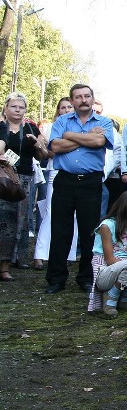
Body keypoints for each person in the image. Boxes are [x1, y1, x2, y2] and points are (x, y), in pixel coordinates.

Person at [45, 84, 115, 294]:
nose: (83, 99)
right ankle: (56, 280)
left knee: (89, 232)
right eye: (78, 97)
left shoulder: (104, 122)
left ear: (93, 99)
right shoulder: (62, 121)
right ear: (72, 100)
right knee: (60, 231)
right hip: (64, 181)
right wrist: (86, 138)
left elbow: (99, 141)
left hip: (90, 183)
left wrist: (70, 136)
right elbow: (55, 147)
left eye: (87, 96)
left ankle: (85, 278)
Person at [0, 92, 48, 281]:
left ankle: (17, 258)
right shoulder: (1, 127)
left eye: (21, 107)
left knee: (22, 219)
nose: (18, 110)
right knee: (5, 222)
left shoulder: (30, 127)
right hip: (3, 178)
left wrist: (36, 143)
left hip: (24, 178)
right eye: (14, 106)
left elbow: (43, 155)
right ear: (6, 108)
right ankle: (4, 265)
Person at [33, 97, 77, 270]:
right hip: (56, 171)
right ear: (58, 110)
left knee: (73, 215)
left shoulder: (79, 126)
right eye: (62, 107)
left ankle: (68, 255)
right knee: (51, 212)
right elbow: (50, 152)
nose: (66, 110)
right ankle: (40, 254)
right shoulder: (53, 127)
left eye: (69, 107)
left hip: (74, 173)